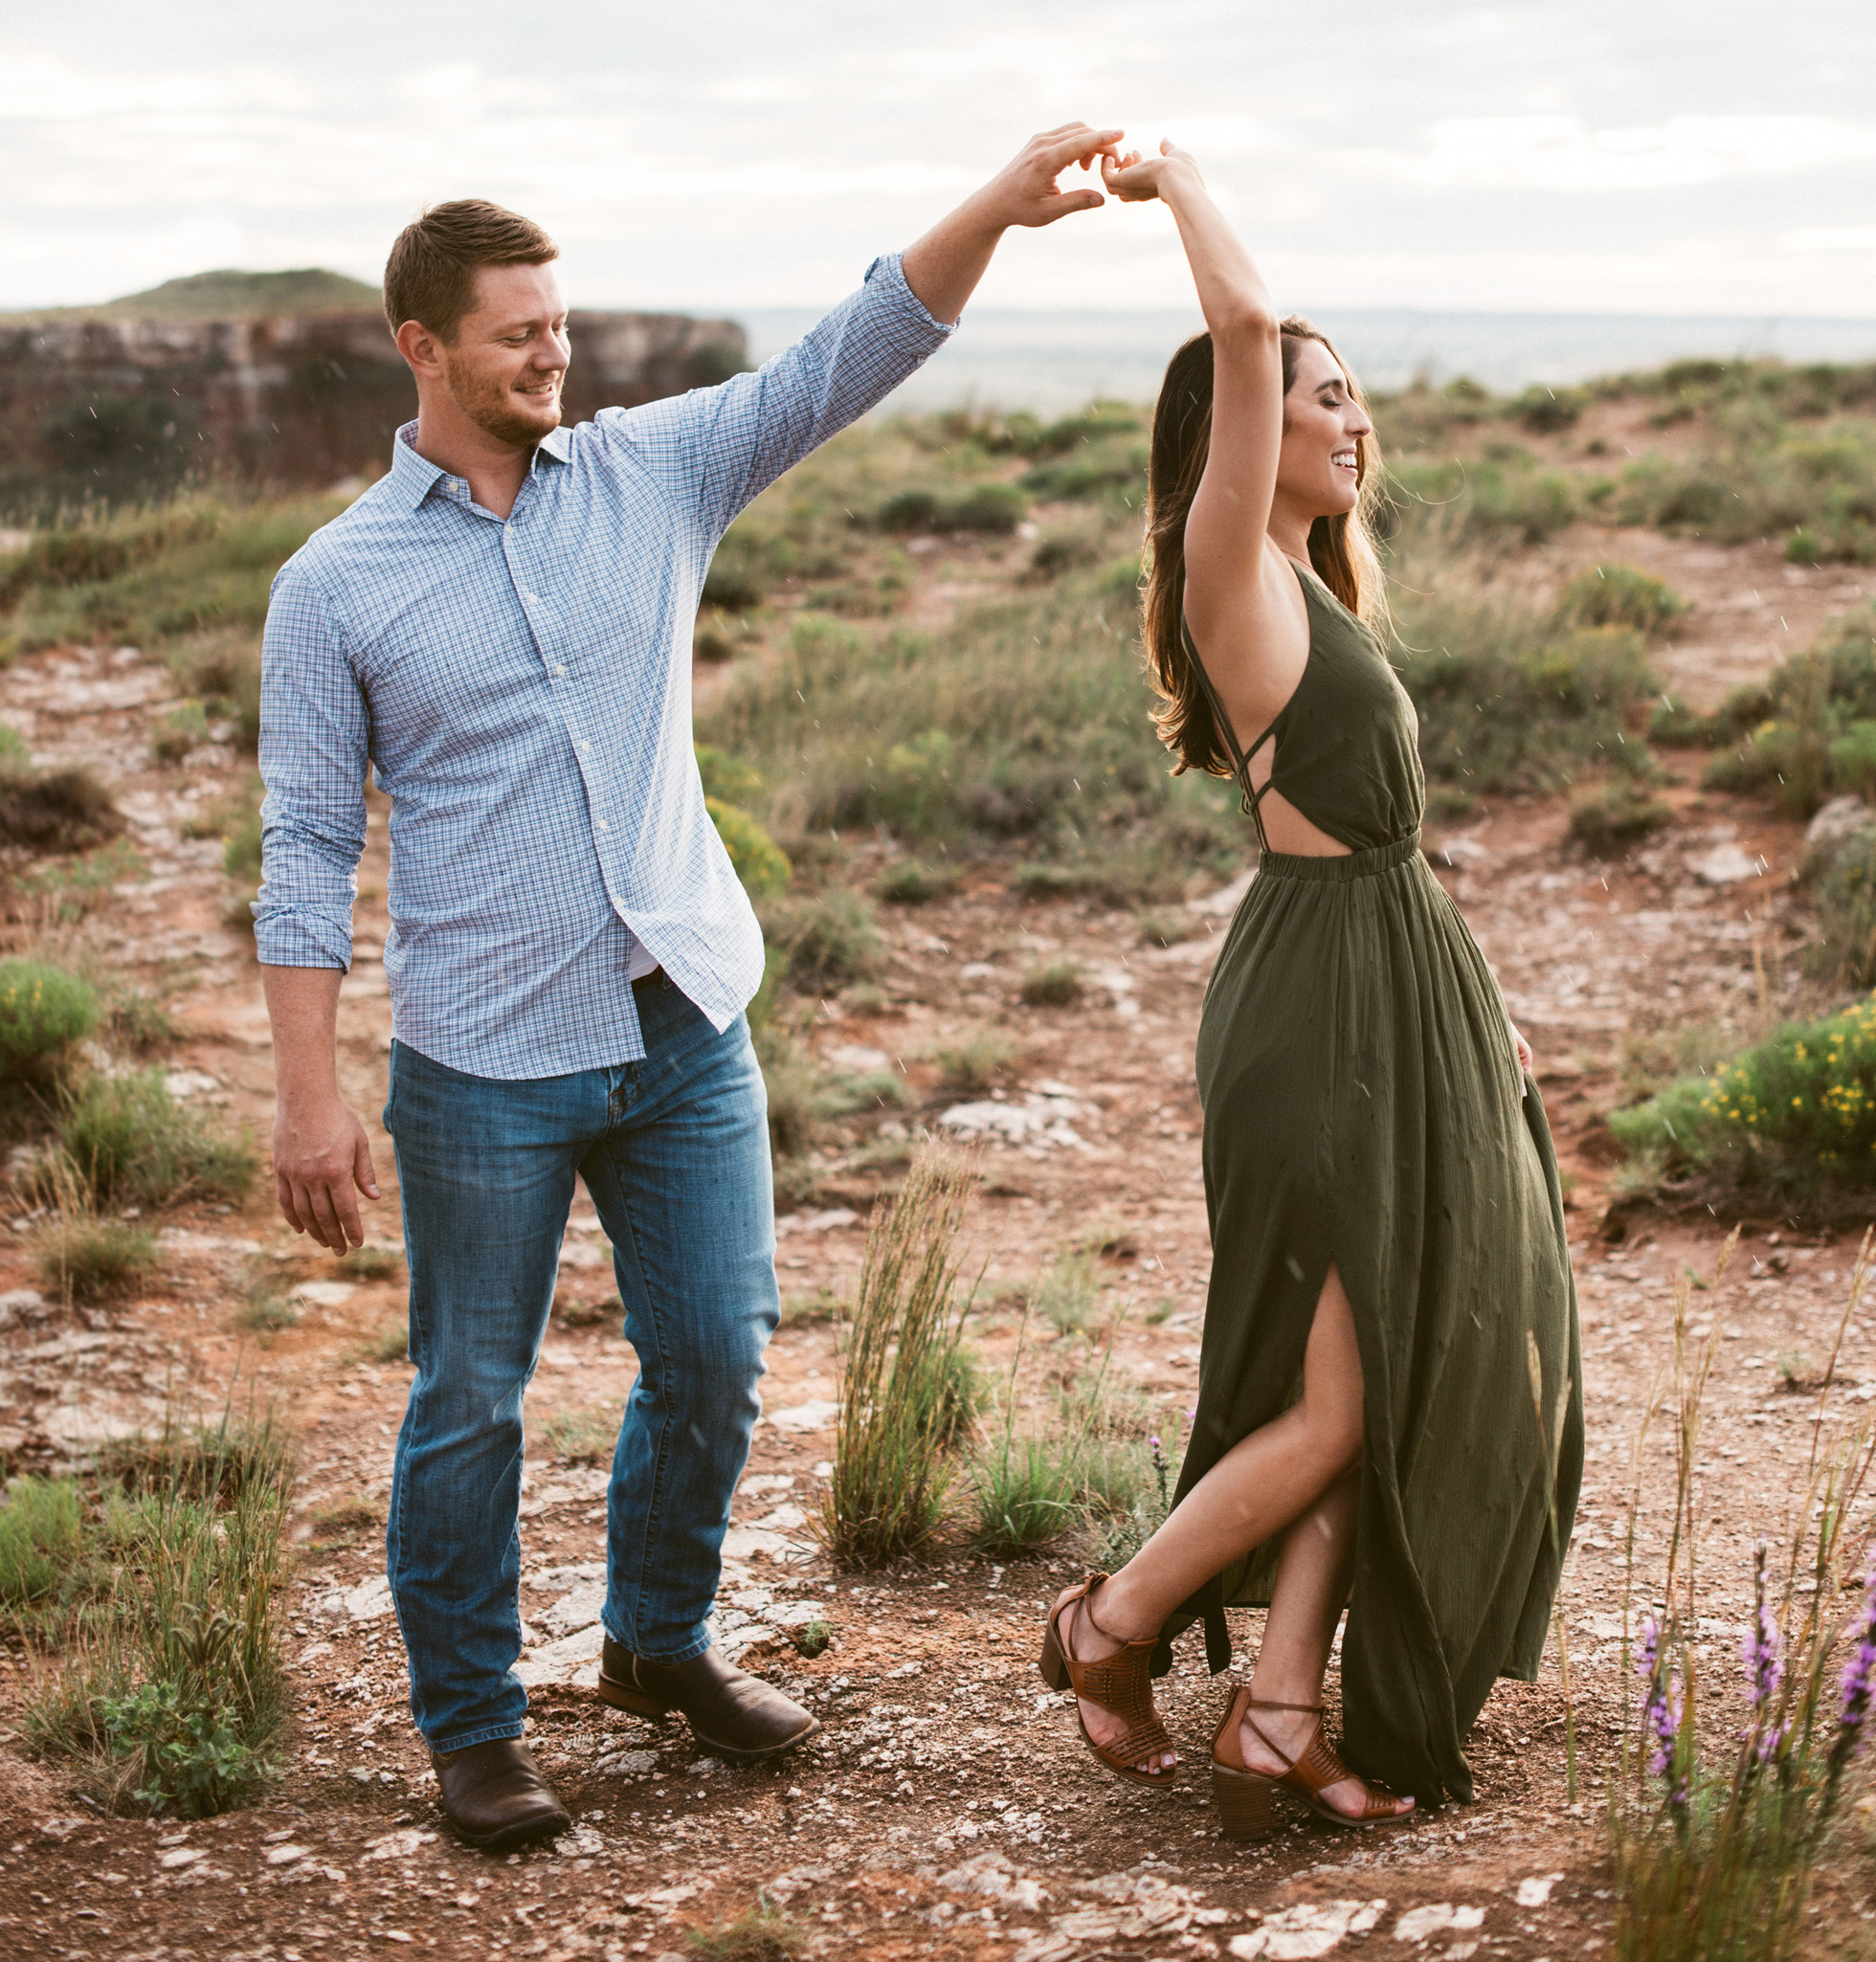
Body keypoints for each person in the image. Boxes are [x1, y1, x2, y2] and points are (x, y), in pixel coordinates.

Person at [257, 126, 1119, 1850]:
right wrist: (308, 1093)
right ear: (422, 345)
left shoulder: (651, 473)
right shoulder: (334, 584)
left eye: (559, 324)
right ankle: (476, 1728)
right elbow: (299, 851)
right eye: (516, 332)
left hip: (682, 1022)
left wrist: (999, 210)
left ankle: (657, 1644)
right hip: (484, 1060)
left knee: (717, 1353)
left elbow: (843, 359)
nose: (553, 353)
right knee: (469, 1403)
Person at [1038, 139, 1581, 1833]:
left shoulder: (1317, 598)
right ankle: (1109, 1624)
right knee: (1343, 1384)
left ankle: (1281, 1706)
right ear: (1240, 436)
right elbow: (1249, 310)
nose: (1350, 423)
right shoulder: (1237, 574)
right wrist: (1182, 178)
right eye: (1313, 398)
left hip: (1394, 994)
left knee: (1381, 1364)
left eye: (1352, 398)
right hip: (1320, 1010)